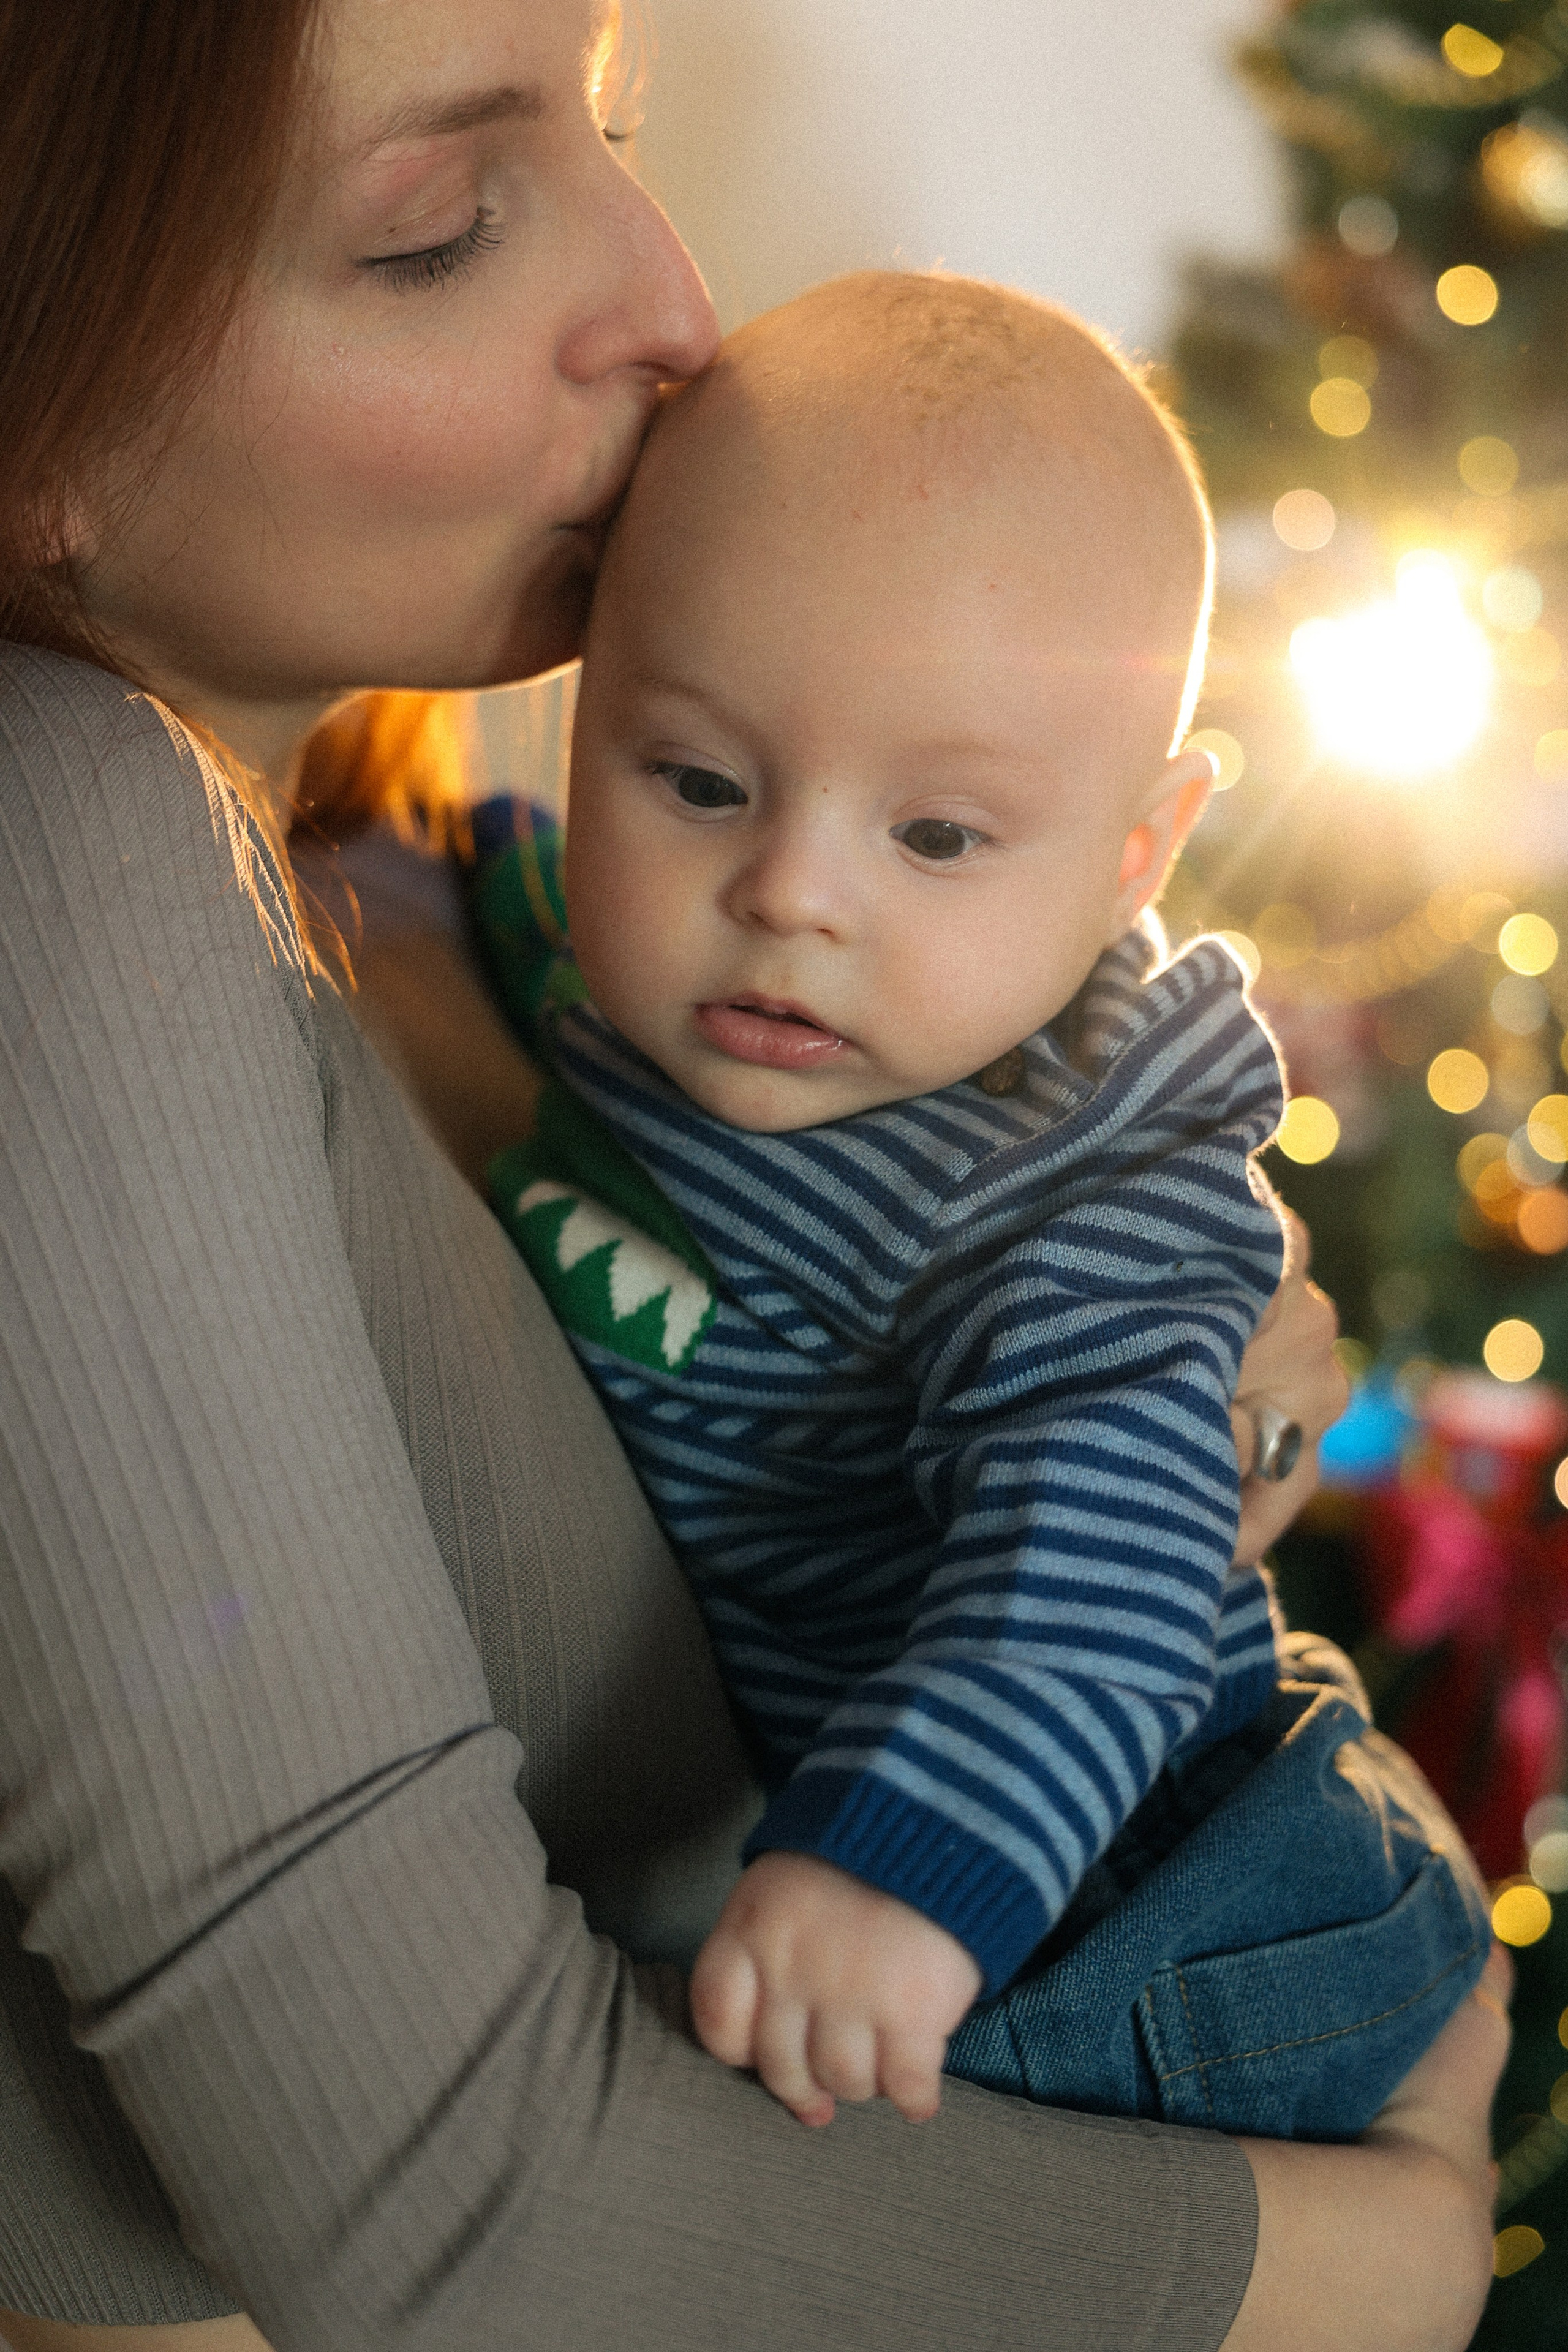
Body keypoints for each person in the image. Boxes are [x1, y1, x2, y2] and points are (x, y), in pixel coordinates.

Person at [0, 0, 1506, 2349]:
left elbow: (1105, 1388)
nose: (676, 305)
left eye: (615, 122)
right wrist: (1368, 2275)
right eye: (444, 227)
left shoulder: (419, 889)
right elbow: (444, 2203)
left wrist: (1219, 1362)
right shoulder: (59, 841)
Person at [466, 269, 1490, 2143]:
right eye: (697, 779)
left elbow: (1087, 1566)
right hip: (945, 1836)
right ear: (582, 708)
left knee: (846, 2159)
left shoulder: (1066, 1194)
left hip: (1157, 1895)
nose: (791, 892)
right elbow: (532, 907)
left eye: (935, 836)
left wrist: (902, 1868)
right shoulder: (619, 976)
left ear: (1138, 855)